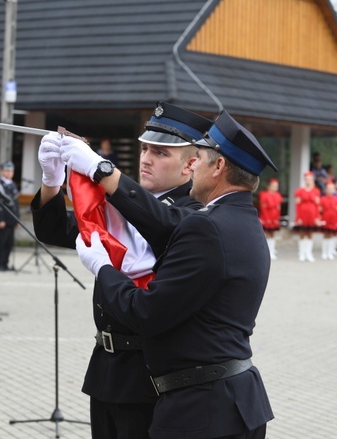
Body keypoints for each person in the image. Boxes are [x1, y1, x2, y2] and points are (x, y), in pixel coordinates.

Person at [64, 110, 275, 438]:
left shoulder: (207, 226)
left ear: (218, 167)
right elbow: (166, 228)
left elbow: (145, 313)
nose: (193, 167)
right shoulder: (245, 221)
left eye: (199, 159)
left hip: (200, 408)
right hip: (234, 401)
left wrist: (102, 266)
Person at [32, 103, 211, 438]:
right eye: (145, 148)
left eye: (160, 153)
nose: (146, 158)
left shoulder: (194, 214)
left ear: (190, 164)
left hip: (151, 374)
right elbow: (55, 230)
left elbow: (161, 223)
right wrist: (52, 180)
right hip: (107, 367)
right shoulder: (126, 203)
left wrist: (101, 170)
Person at [0, 161, 19, 272]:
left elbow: (16, 204)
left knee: (9, 243)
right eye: (7, 171)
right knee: (0, 243)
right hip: (3, 220)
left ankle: (6, 263)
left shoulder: (13, 185)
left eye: (11, 171)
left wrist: (17, 219)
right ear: (2, 171)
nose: (9, 173)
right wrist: (0, 219)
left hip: (11, 219)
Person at [294, 171, 320, 262]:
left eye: (310, 179)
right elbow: (297, 205)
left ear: (313, 180)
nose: (308, 181)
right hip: (303, 214)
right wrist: (298, 217)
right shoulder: (299, 191)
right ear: (304, 180)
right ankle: (301, 253)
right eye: (307, 179)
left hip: (312, 214)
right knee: (302, 233)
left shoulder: (316, 191)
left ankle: (309, 253)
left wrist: (317, 217)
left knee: (310, 233)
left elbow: (318, 205)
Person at [319, 183, 337, 260]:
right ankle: (324, 252)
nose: (330, 190)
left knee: (332, 235)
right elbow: (320, 210)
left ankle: (330, 252)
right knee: (325, 235)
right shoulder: (322, 199)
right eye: (329, 188)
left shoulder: (336, 200)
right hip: (325, 218)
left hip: (333, 219)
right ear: (326, 190)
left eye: (332, 189)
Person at [258, 178, 282, 260]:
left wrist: (276, 218)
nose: (275, 187)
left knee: (273, 234)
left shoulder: (278, 195)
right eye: (273, 186)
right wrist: (267, 218)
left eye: (276, 186)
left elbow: (278, 208)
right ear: (268, 186)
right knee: (266, 234)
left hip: (274, 216)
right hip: (266, 216)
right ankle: (266, 251)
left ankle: (272, 250)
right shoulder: (264, 194)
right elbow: (263, 208)